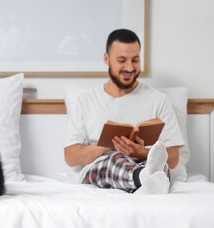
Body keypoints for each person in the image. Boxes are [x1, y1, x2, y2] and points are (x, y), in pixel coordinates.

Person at [64, 29, 184, 194]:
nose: (129, 67)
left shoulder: (159, 100)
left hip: (143, 162)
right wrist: (105, 146)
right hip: (103, 166)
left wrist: (140, 152)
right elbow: (71, 157)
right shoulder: (85, 101)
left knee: (159, 165)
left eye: (135, 60)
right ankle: (142, 180)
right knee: (115, 159)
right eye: (122, 60)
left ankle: (145, 178)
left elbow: (174, 157)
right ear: (107, 59)